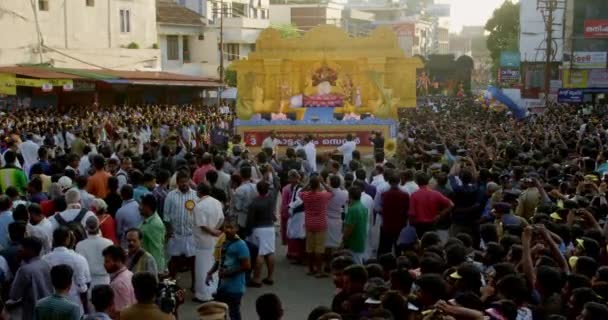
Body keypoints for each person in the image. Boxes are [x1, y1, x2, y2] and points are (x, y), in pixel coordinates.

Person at [207, 218, 251, 320]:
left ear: (237, 229)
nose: (228, 230)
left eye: (231, 227)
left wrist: (228, 273)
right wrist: (210, 272)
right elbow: (219, 261)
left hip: (235, 288)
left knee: (234, 313)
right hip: (223, 285)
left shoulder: (241, 245)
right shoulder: (224, 242)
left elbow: (246, 266)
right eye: (226, 227)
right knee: (219, 312)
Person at [42, 226, 91, 314]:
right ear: (68, 239)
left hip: (51, 306)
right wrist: (86, 309)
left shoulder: (44, 259)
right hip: (74, 305)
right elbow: (84, 287)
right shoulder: (79, 259)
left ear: (54, 239)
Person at [163, 170, 197, 282]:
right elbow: (166, 215)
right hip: (176, 234)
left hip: (191, 235)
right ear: (177, 182)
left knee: (193, 261)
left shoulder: (195, 195)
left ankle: (194, 284)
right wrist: (170, 231)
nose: (184, 184)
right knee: (174, 260)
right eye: (182, 182)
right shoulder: (171, 196)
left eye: (186, 181)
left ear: (189, 181)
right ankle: (172, 282)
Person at [193, 183, 224, 302]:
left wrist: (212, 231)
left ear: (199, 192)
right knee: (213, 265)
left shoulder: (199, 206)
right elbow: (221, 219)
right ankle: (213, 291)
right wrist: (216, 229)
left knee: (202, 268)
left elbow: (202, 225)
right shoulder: (217, 202)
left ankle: (203, 295)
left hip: (203, 241)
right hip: (214, 240)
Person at [9, 237, 53, 320]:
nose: (19, 250)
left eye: (22, 248)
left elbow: (14, 295)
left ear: (30, 250)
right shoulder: (45, 264)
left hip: (32, 313)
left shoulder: (24, 270)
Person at [246, 180, 277, 287]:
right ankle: (270, 277)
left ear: (257, 190)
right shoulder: (271, 199)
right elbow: (276, 185)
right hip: (270, 228)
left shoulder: (254, 203)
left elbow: (250, 220)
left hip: (258, 229)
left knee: (260, 254)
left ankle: (257, 279)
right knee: (270, 252)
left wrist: (248, 231)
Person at [300, 175, 332, 277]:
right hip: (320, 224)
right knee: (319, 249)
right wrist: (323, 183)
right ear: (318, 185)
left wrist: (308, 184)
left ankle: (310, 269)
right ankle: (319, 271)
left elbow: (299, 192)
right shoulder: (323, 196)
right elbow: (332, 192)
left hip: (309, 223)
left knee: (309, 248)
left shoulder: (305, 195)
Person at [409, 172, 454, 237]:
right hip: (432, 224)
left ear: (417, 182)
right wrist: (440, 215)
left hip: (419, 226)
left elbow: (411, 214)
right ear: (427, 181)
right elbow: (451, 204)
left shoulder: (414, 196)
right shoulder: (435, 193)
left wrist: (412, 225)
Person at [75, 216, 113, 292]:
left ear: (86, 228)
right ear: (99, 227)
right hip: (105, 280)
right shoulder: (109, 243)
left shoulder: (80, 245)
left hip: (89, 283)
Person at [379, 174, 409, 256]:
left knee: (387, 248)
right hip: (400, 225)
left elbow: (380, 208)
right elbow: (407, 210)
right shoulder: (405, 195)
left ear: (389, 182)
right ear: (399, 182)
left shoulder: (384, 195)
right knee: (398, 248)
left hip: (387, 224)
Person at [102, 245, 136, 312]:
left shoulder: (117, 284)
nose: (104, 264)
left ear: (118, 261)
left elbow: (120, 311)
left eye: (107, 261)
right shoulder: (130, 274)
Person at [138, 194, 166, 273]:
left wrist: (157, 270)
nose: (139, 208)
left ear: (147, 207)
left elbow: (156, 249)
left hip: (151, 268)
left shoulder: (154, 224)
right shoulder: (148, 220)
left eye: (141, 205)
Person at [342, 186, 368, 264]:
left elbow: (349, 228)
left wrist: (343, 239)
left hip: (353, 241)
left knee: (355, 265)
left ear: (350, 196)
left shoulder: (353, 209)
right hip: (361, 239)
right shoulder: (363, 207)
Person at [234, 166, 258, 231]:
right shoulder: (256, 186)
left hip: (243, 219)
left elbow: (238, 207)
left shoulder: (239, 189)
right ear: (250, 175)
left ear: (241, 175)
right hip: (255, 218)